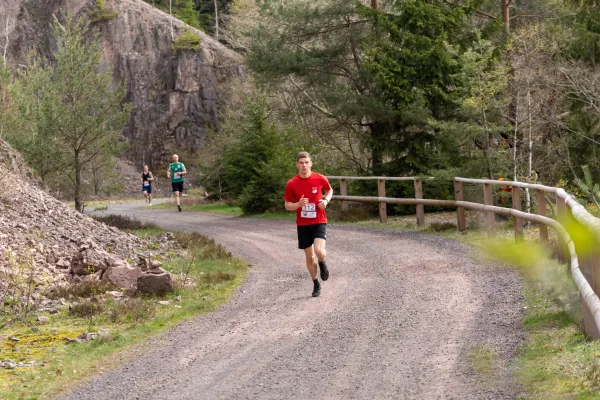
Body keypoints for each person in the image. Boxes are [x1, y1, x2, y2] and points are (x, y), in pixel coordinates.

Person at [284, 151, 333, 297]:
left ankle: (323, 263)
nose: (304, 165)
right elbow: (287, 205)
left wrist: (325, 201)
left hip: (319, 220)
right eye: (301, 163)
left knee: (319, 252)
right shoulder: (292, 183)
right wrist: (298, 204)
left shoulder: (319, 178)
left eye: (306, 162)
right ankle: (316, 283)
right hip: (303, 224)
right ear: (297, 165)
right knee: (310, 257)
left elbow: (329, 190)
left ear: (311, 163)